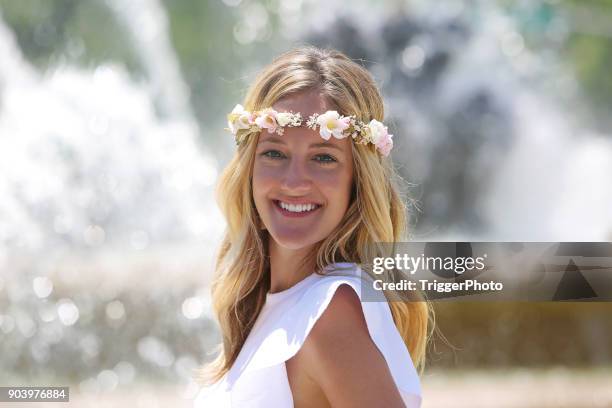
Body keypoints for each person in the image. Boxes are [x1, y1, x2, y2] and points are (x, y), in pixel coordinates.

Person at [193, 46, 431, 408]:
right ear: (249, 167)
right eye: (274, 152)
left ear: (357, 179)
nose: (294, 181)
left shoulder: (331, 310)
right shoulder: (275, 304)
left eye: (323, 158)